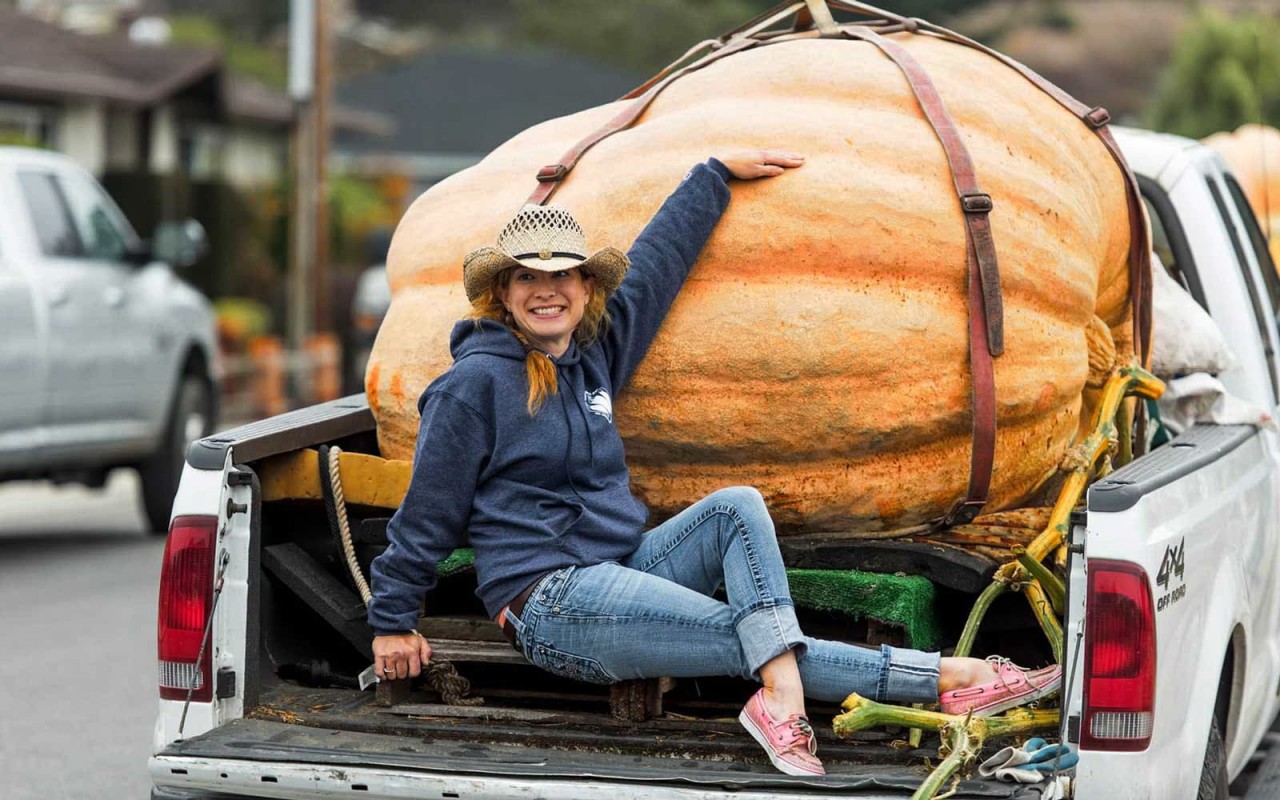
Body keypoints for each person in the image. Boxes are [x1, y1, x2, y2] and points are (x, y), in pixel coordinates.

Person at [368, 150, 1061, 777]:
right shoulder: (473, 386)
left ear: (585, 287)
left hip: (622, 563)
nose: (546, 290)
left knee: (736, 507)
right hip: (550, 602)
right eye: (527, 277)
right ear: (504, 293)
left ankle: (793, 691)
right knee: (751, 637)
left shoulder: (592, 359)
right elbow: (428, 511)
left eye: (562, 275)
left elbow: (657, 269)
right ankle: (944, 677)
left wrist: (713, 176)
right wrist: (393, 620)